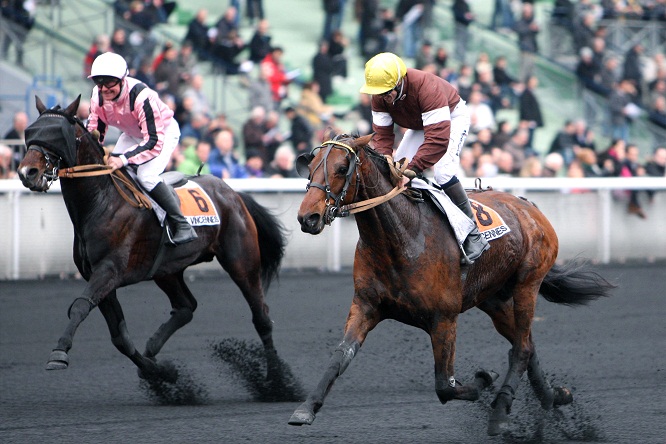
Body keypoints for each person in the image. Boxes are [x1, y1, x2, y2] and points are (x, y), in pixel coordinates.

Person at [359, 52, 489, 264]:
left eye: (386, 92)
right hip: (421, 123)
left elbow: (437, 140)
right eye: (378, 93)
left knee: (443, 171)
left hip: (450, 118)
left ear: (399, 81)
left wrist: (412, 170)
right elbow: (382, 137)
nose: (382, 97)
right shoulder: (380, 94)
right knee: (392, 172)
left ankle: (473, 235)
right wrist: (386, 161)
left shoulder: (426, 86)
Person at [86, 52, 197, 245]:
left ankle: (182, 224)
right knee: (111, 170)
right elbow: (96, 130)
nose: (104, 88)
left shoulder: (141, 97)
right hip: (132, 134)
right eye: (99, 82)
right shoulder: (98, 95)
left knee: (146, 176)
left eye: (109, 82)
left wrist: (123, 158)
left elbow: (153, 141)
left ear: (122, 79)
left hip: (162, 133)